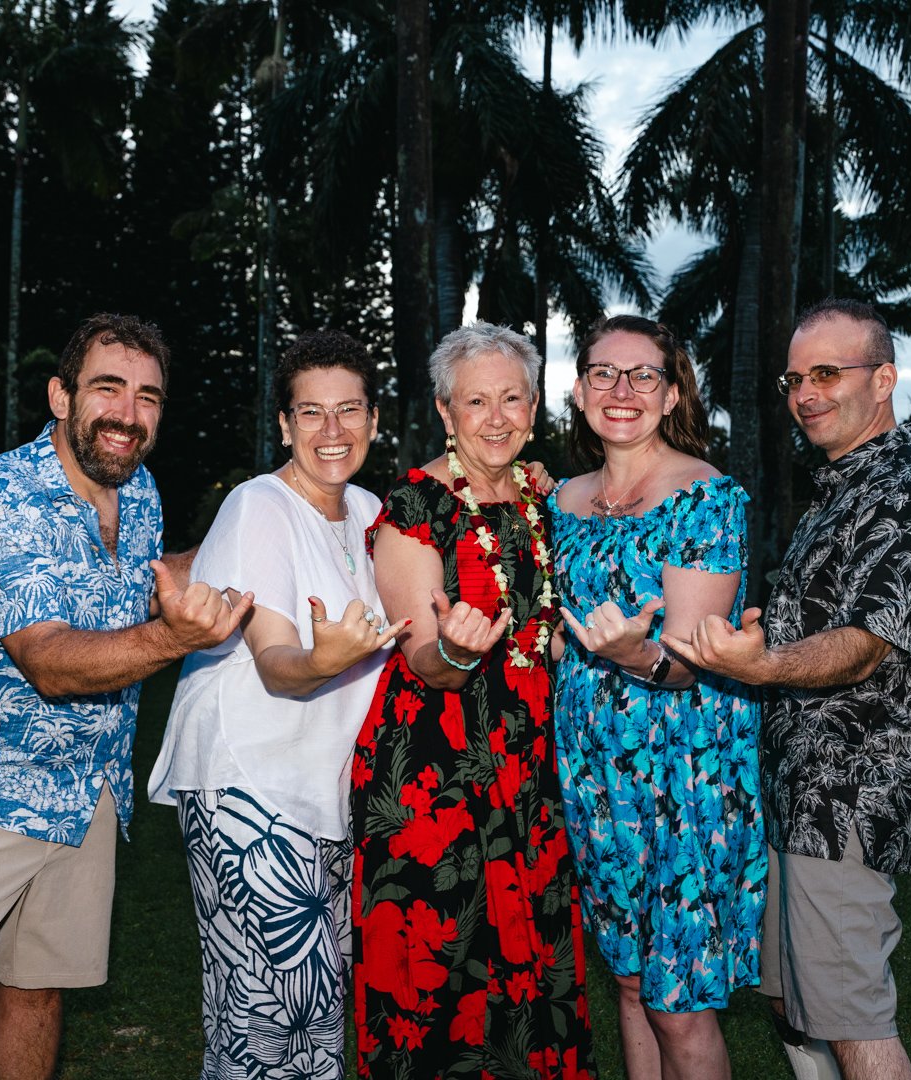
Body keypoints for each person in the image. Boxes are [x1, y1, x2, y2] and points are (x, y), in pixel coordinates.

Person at [0, 313, 251, 1080]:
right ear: (60, 395)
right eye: (107, 388)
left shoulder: (137, 488)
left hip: (87, 792)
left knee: (39, 994)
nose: (127, 413)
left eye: (148, 396)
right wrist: (176, 639)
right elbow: (48, 661)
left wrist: (270, 525)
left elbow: (152, 582)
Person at [673, 299, 911, 1080]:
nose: (805, 393)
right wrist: (752, 640)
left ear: (884, 380)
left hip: (849, 796)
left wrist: (762, 667)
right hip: (796, 790)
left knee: (849, 1013)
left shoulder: (906, 492)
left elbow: (866, 643)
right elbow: (814, 625)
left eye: (827, 373)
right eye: (795, 378)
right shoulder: (839, 490)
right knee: (790, 1000)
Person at [145, 330, 408, 1079]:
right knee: (277, 1017)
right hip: (248, 785)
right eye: (311, 413)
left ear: (373, 420)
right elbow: (277, 663)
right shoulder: (257, 505)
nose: (333, 432)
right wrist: (321, 661)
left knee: (307, 1018)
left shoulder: (368, 512)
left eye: (348, 411)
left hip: (322, 789)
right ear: (285, 426)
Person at [350, 323, 595, 1079]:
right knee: (440, 973)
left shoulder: (536, 495)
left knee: (529, 969)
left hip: (525, 768)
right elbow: (424, 658)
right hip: (439, 772)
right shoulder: (413, 507)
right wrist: (457, 646)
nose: (495, 417)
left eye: (511, 398)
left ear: (533, 406)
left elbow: (545, 622)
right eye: (475, 401)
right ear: (445, 412)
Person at [551, 315, 764, 1080]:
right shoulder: (563, 500)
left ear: (671, 395)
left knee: (679, 1003)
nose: (622, 390)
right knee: (634, 981)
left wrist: (629, 654)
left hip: (683, 772)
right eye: (603, 373)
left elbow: (693, 660)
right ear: (578, 392)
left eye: (644, 375)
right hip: (594, 774)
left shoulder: (703, 497)